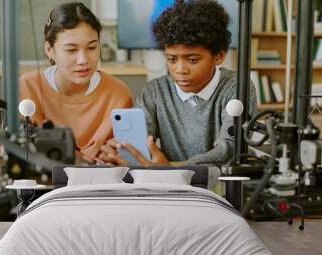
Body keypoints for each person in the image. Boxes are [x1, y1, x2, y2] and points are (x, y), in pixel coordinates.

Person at [98, 0, 256, 166]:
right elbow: (139, 138)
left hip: (221, 185)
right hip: (172, 185)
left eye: (193, 60)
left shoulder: (237, 88)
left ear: (218, 56)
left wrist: (174, 170)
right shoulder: (155, 91)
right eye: (172, 59)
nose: (180, 69)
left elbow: (230, 148)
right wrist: (121, 150)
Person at [20, 2, 132, 163]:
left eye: (92, 47)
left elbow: (123, 159)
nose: (83, 60)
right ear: (49, 50)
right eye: (72, 50)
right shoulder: (27, 88)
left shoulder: (118, 94)